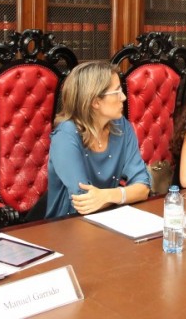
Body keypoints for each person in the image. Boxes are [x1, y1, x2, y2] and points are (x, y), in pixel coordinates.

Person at [46, 61, 151, 219]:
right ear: (95, 101)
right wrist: (123, 195)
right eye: (116, 92)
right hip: (67, 225)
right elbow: (84, 201)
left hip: (109, 220)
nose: (123, 97)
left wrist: (107, 196)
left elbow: (143, 187)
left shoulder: (121, 126)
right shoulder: (66, 135)